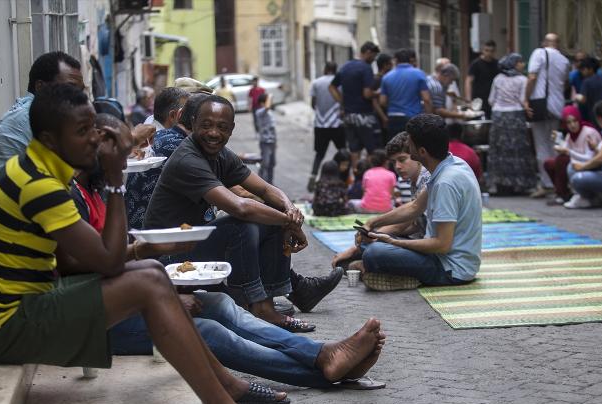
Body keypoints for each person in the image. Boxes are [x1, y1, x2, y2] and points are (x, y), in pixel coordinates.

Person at [0, 83, 309, 404]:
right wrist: (115, 182)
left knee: (153, 275)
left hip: (23, 307)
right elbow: (107, 261)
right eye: (82, 133)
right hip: (7, 326)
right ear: (49, 138)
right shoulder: (39, 183)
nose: (93, 141)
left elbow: (89, 258)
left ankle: (227, 388)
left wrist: (144, 247)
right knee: (149, 282)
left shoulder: (38, 170)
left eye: (92, 129)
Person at [70, 122, 386, 390]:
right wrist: (156, 294)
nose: (129, 161)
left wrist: (156, 287)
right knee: (208, 331)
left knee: (220, 304)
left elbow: (112, 262)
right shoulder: (76, 198)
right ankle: (324, 371)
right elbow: (86, 274)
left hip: (126, 295)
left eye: (129, 151)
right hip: (100, 321)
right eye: (122, 153)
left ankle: (323, 355)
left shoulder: (99, 192)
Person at [144, 95, 343, 326]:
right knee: (242, 225)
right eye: (206, 125)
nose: (213, 133)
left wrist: (289, 210)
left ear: (232, 129)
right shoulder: (187, 159)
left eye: (222, 127)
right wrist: (286, 222)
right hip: (166, 255)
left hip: (189, 244)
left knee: (268, 216)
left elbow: (267, 189)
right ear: (194, 122)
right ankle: (254, 304)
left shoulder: (220, 154)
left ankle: (266, 303)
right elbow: (241, 208)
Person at [357, 114, 482, 291]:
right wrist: (372, 223)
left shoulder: (445, 183)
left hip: (450, 269)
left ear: (421, 151)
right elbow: (415, 207)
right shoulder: (451, 164)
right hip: (445, 259)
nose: (407, 144)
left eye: (410, 142)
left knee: (373, 253)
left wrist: (394, 243)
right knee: (370, 244)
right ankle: (388, 271)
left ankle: (404, 276)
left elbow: (442, 244)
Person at [0, 51, 84, 198]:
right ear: (40, 87)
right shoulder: (29, 117)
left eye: (80, 91)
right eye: (69, 88)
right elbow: (74, 172)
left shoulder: (40, 113)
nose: (78, 97)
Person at [332, 132, 429, 271]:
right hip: (423, 240)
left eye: (402, 160)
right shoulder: (414, 181)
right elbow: (412, 225)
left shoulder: (427, 179)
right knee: (373, 243)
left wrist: (372, 228)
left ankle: (371, 264)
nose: (397, 166)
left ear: (417, 156)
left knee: (374, 251)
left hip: (436, 253)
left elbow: (407, 218)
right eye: (394, 162)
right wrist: (375, 234)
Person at [126, 87, 190, 229]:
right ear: (175, 115)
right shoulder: (170, 140)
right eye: (190, 114)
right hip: (148, 228)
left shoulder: (152, 124)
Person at [525, 33, 571, 198]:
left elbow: (531, 77)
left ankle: (547, 183)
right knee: (555, 144)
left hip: (540, 104)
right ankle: (559, 182)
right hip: (558, 106)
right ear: (558, 44)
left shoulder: (539, 53)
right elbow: (564, 83)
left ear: (545, 43)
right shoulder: (565, 61)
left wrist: (525, 99)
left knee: (541, 145)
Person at [487, 53, 537, 195]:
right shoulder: (522, 79)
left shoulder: (498, 79)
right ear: (514, 64)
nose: (523, 65)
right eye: (520, 62)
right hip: (515, 115)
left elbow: (491, 100)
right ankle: (520, 183)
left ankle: (499, 183)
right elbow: (523, 99)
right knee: (517, 150)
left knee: (499, 150)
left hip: (498, 116)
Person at [329, 41, 381, 167]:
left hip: (348, 115)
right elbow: (367, 94)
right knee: (371, 149)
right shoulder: (366, 68)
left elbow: (331, 87)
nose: (374, 60)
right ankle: (370, 176)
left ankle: (357, 175)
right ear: (368, 52)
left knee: (354, 149)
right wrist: (378, 93)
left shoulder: (346, 66)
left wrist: (342, 102)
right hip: (364, 115)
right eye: (373, 56)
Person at [544, 105, 601, 204]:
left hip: (590, 164)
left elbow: (590, 157)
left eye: (575, 121)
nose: (572, 125)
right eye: (569, 122)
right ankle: (564, 193)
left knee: (562, 160)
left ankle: (561, 194)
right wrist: (557, 140)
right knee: (549, 163)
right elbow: (566, 148)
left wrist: (568, 152)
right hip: (575, 163)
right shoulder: (570, 135)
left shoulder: (589, 133)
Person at [308, 61, 346, 192]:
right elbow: (343, 101)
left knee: (319, 153)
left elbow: (312, 103)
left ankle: (313, 176)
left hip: (320, 124)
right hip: (337, 123)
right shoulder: (339, 83)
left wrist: (320, 112)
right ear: (335, 70)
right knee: (342, 151)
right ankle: (344, 177)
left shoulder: (316, 82)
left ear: (325, 69)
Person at [380, 48, 432, 140]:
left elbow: (382, 101)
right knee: (411, 148)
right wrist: (429, 119)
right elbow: (426, 99)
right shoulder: (419, 74)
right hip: (412, 117)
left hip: (393, 117)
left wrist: (393, 105)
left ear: (396, 60)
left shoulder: (387, 77)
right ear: (410, 59)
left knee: (395, 148)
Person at [574, 57, 602, 126]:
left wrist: (576, 97)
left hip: (593, 114)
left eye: (583, 69)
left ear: (590, 69)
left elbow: (583, 99)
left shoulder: (587, 82)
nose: (582, 72)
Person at [465, 40, 499, 119]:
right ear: (482, 50)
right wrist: (468, 99)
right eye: (486, 50)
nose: (489, 53)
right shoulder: (476, 64)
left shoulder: (497, 64)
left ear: (495, 51)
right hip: (478, 100)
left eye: (491, 51)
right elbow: (468, 81)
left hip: (493, 100)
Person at [255, 93, 277, 184]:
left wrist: (276, 142)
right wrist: (270, 95)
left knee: (272, 164)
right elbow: (267, 107)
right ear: (263, 102)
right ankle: (261, 184)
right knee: (265, 164)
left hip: (272, 142)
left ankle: (270, 184)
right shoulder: (260, 112)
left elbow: (273, 128)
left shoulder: (269, 112)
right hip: (265, 142)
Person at [372, 53, 394, 144]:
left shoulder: (386, 78)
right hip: (380, 117)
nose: (392, 66)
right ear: (385, 65)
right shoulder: (378, 79)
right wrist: (383, 117)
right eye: (390, 64)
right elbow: (374, 101)